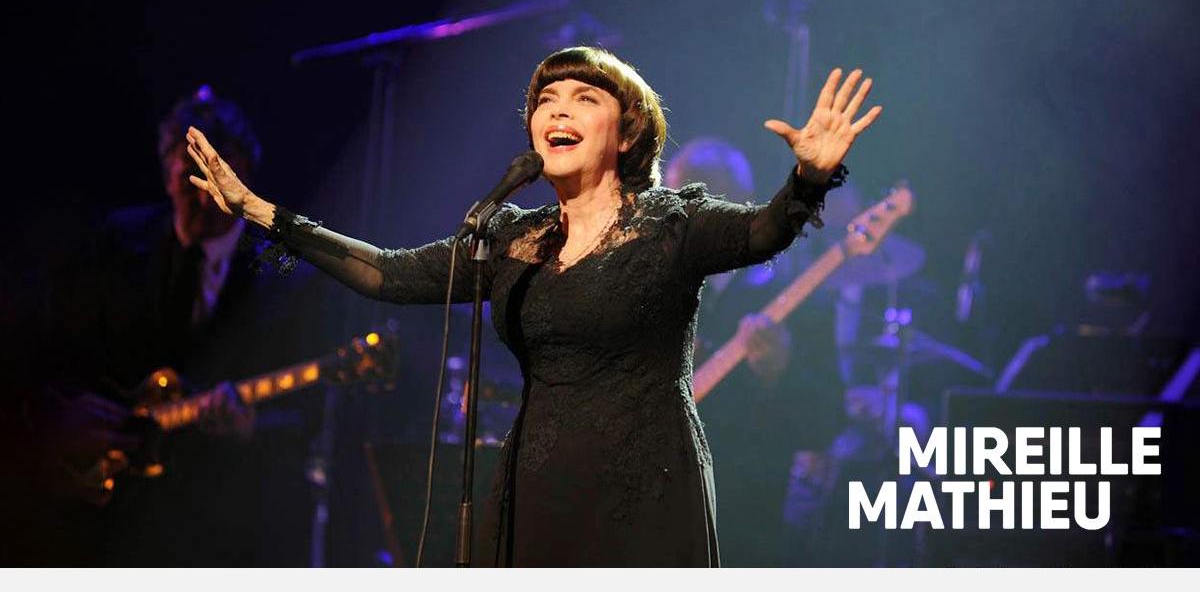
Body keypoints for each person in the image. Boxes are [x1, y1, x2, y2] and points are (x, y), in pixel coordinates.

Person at [184, 46, 882, 566]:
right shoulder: (510, 239)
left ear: (627, 132)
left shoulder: (672, 224)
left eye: (583, 97)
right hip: (536, 488)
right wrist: (262, 213)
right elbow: (385, 273)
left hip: (646, 488)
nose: (558, 109)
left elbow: (763, 231)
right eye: (547, 99)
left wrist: (809, 176)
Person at [18, 88, 318, 566]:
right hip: (108, 522)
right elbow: (47, 350)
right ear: (166, 174)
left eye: (213, 184)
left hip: (224, 529)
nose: (200, 200)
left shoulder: (286, 280)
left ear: (243, 179)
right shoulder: (114, 246)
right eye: (186, 180)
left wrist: (252, 427)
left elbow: (315, 419)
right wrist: (56, 418)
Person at [665, 137, 847, 566]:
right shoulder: (658, 289)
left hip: (746, 522)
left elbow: (828, 420)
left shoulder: (803, 305)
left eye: (695, 196)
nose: (679, 214)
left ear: (740, 204)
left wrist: (778, 372)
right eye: (674, 199)